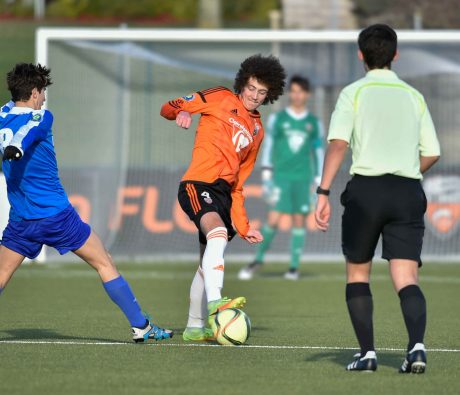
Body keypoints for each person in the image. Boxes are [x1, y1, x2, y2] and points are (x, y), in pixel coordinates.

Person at [0, 63, 173, 343]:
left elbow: (17, 134)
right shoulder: (41, 117)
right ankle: (141, 327)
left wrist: (12, 149)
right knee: (104, 262)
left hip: (21, 218)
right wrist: (16, 148)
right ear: (33, 92)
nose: (44, 98)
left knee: (2, 274)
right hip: (56, 216)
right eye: (42, 92)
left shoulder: (2, 115)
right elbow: (26, 133)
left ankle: (142, 326)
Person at [315, 24, 440, 373]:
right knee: (407, 278)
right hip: (406, 191)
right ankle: (416, 347)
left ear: (360, 55)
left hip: (366, 191)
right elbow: (433, 152)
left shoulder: (353, 93)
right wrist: (404, 170)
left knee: (358, 274)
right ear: (396, 55)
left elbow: (338, 144)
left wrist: (323, 191)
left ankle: (367, 354)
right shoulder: (413, 96)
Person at [160, 54, 286, 341]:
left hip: (223, 196)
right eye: (251, 88)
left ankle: (194, 328)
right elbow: (168, 107)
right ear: (242, 84)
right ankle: (217, 302)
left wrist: (243, 226)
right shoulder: (219, 96)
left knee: (206, 264)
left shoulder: (257, 130)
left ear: (269, 95)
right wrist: (181, 112)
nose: (254, 96)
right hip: (197, 183)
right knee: (216, 232)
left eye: (262, 92)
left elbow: (239, 185)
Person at [238, 75, 324, 281]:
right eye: (293, 91)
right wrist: (267, 174)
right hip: (281, 177)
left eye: (300, 91)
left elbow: (319, 152)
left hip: (303, 179)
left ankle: (293, 268)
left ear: (307, 95)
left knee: (298, 221)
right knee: (273, 220)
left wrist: (319, 180)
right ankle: (257, 260)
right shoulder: (279, 119)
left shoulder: (314, 123)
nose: (297, 95)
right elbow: (268, 146)